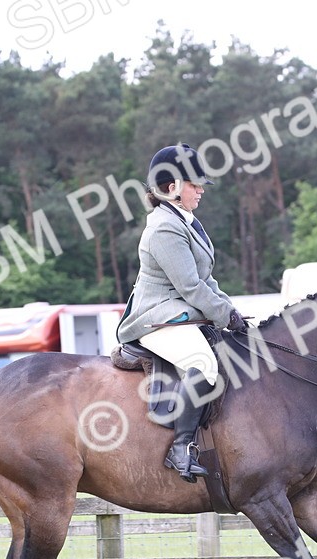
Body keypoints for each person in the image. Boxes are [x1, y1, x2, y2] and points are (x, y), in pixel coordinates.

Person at [117, 143, 247, 483]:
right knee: (203, 364)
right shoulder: (164, 228)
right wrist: (223, 315)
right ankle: (181, 448)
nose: (201, 189)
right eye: (193, 183)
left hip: (180, 313)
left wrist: (233, 312)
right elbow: (190, 287)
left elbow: (207, 280)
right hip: (156, 317)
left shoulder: (186, 222)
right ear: (170, 186)